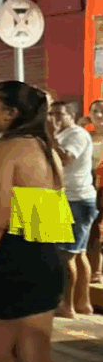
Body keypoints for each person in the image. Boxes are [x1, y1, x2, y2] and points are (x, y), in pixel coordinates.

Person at [0, 82, 69, 362]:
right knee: (36, 360)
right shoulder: (46, 149)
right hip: (46, 262)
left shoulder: (2, 150)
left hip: (8, 265)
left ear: (11, 113)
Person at [47, 101, 99, 317]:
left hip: (76, 200)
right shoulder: (62, 134)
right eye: (51, 114)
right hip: (73, 199)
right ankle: (83, 303)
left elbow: (66, 158)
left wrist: (49, 137)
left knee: (66, 255)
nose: (54, 118)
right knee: (78, 254)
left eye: (59, 114)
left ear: (72, 115)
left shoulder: (75, 134)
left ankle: (67, 306)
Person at [84, 99, 103, 284]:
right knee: (92, 230)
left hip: (101, 186)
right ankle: (93, 269)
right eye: (95, 111)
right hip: (89, 187)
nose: (99, 115)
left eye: (102, 111)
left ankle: (98, 269)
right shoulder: (84, 136)